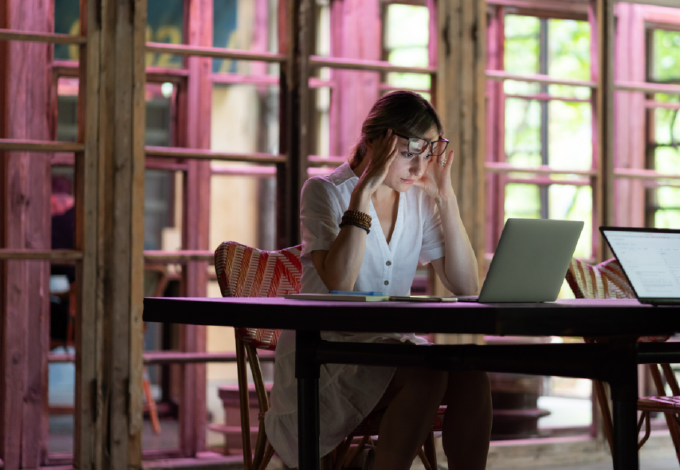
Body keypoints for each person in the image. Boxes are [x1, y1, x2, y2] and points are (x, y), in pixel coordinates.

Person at [264, 91, 492, 470]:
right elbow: (339, 280)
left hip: (391, 348)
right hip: (325, 358)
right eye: (408, 152)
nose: (419, 167)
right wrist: (365, 191)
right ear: (373, 142)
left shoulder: (418, 198)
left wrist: (445, 196)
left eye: (428, 153)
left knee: (472, 373)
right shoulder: (325, 191)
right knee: (427, 374)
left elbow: (466, 285)